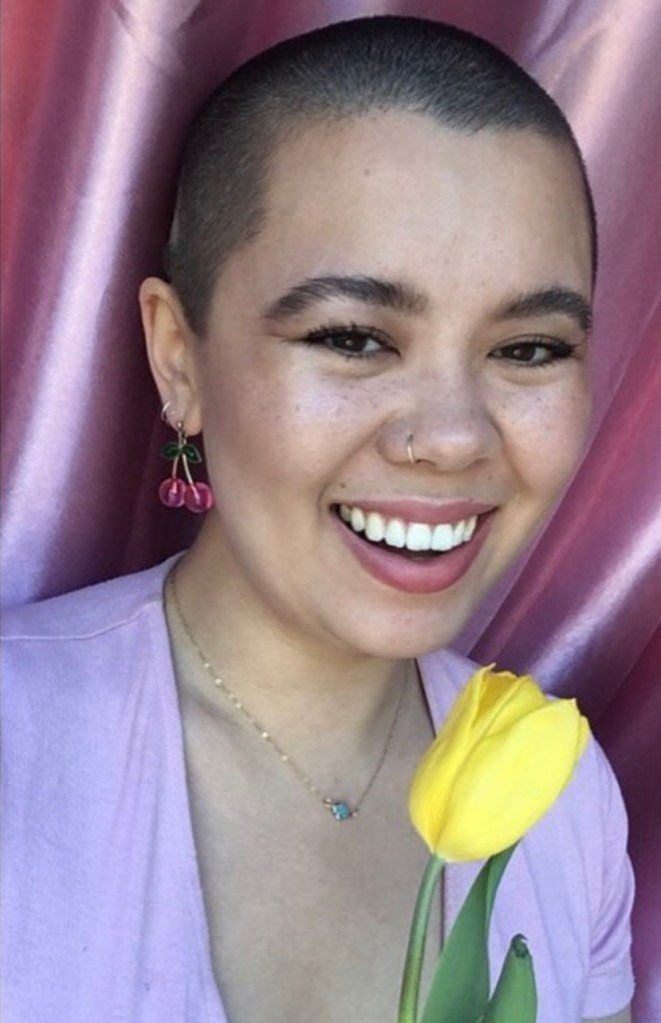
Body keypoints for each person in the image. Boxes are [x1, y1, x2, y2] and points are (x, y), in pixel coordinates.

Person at [1, 15, 634, 1023]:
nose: (452, 438)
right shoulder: (19, 738)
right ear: (178, 359)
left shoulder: (558, 799)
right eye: (351, 337)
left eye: (528, 349)